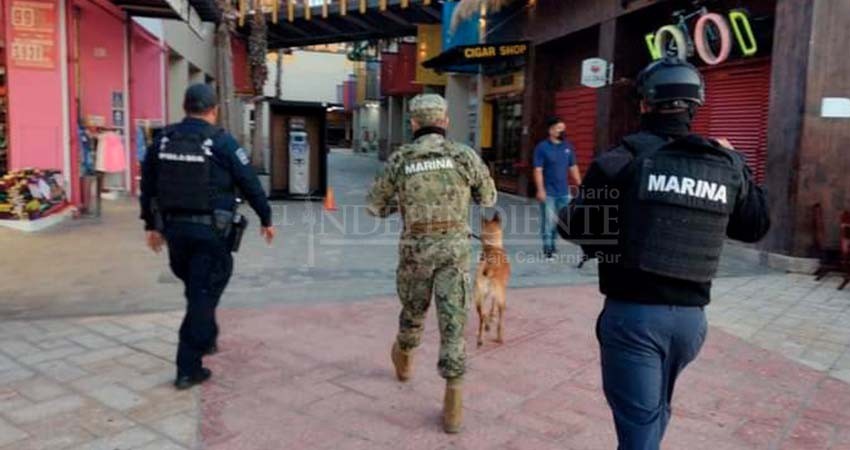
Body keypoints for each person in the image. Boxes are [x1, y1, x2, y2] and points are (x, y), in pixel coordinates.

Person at [559, 57, 770, 450]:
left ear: (643, 104)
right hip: (691, 323)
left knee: (638, 432)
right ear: (696, 105)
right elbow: (754, 226)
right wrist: (739, 163)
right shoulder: (722, 162)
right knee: (655, 412)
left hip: (634, 317)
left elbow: (576, 228)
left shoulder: (621, 159)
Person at [367, 93, 497, 434]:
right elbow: (489, 197)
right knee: (453, 322)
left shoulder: (401, 158)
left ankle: (405, 360)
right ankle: (453, 403)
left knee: (413, 311)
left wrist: (405, 204)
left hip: (415, 250)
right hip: (454, 249)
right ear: (445, 122)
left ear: (413, 124)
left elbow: (375, 206)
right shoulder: (463, 155)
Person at [140, 84, 276, 390]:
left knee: (197, 288)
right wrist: (266, 218)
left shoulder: (162, 140)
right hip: (209, 234)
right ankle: (188, 366)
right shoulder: (221, 141)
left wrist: (151, 225)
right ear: (213, 109)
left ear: (184, 106)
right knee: (204, 292)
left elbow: (148, 185)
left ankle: (208, 336)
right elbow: (249, 181)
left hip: (175, 231)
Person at [533, 117, 582, 259]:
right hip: (548, 192)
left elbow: (573, 167)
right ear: (551, 130)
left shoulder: (568, 147)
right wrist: (540, 189)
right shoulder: (542, 148)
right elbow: (538, 170)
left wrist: (580, 184)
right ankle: (548, 248)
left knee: (561, 220)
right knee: (548, 221)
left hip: (564, 192)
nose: (562, 131)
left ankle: (554, 246)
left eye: (563, 129)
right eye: (559, 128)